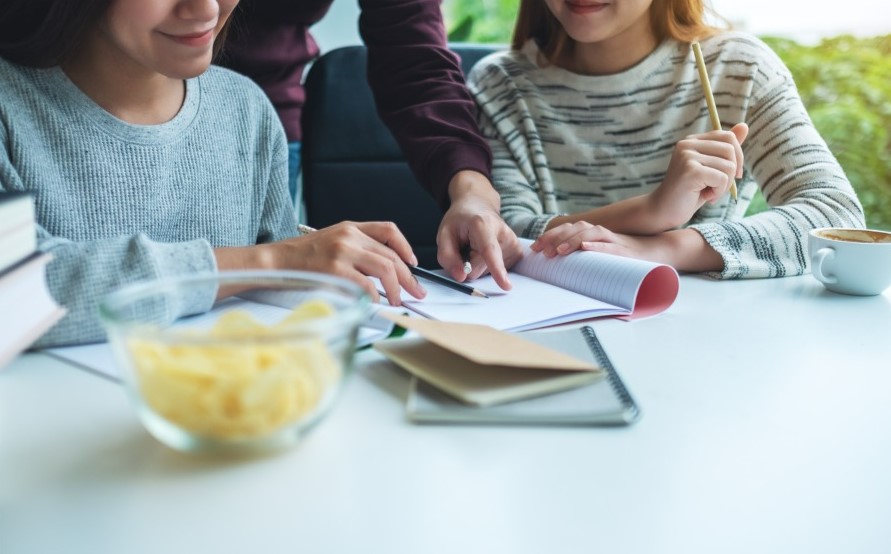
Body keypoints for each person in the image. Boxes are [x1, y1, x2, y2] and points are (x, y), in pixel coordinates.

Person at [0, 0, 431, 347]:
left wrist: (315, 253)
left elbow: (278, 286)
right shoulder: (10, 108)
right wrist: (272, 259)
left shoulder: (247, 108)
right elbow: (14, 294)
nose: (205, 9)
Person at [466, 0, 866, 278]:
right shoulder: (500, 84)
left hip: (699, 340)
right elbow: (504, 236)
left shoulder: (738, 67)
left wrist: (661, 249)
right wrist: (652, 212)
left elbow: (835, 217)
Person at [219, 0, 521, 287]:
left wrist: (473, 193)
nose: (205, 10)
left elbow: (414, 58)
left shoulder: (254, 119)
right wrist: (278, 259)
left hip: (262, 121)